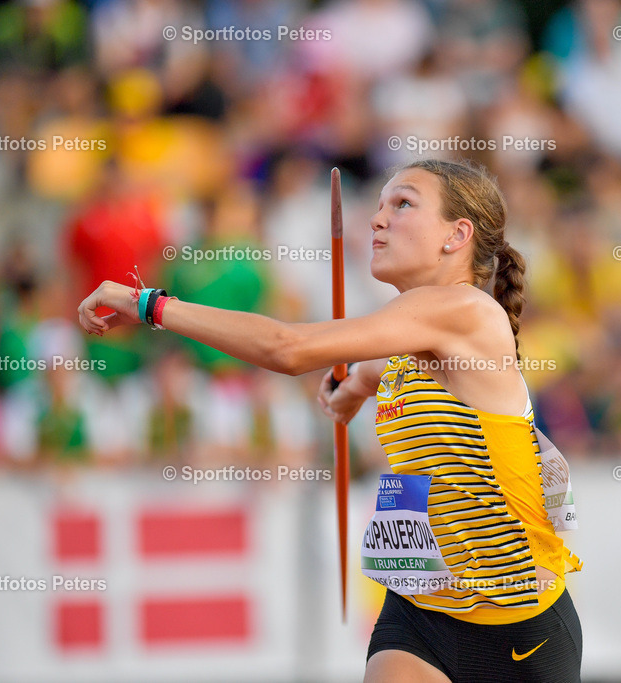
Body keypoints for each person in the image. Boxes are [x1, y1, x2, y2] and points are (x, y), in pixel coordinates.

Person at [77, 158, 582, 682]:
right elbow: (373, 369)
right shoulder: (410, 342)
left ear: (457, 235)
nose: (377, 219)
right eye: (380, 204)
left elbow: (288, 348)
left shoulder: (467, 313)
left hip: (520, 629)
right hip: (422, 612)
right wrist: (352, 391)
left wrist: (147, 304)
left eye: (403, 204)